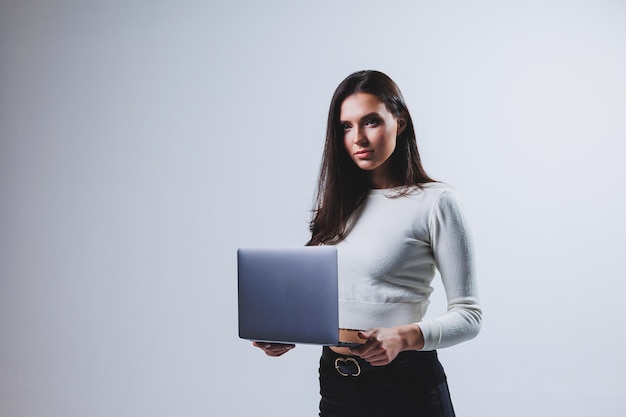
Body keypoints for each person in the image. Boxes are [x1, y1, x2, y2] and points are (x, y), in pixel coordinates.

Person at [253, 70, 481, 417]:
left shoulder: (436, 202)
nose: (358, 137)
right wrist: (287, 332)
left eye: (370, 121)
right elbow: (331, 301)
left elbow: (469, 316)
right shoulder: (337, 207)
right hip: (336, 384)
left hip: (406, 387)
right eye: (346, 126)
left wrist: (402, 338)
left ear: (399, 121)